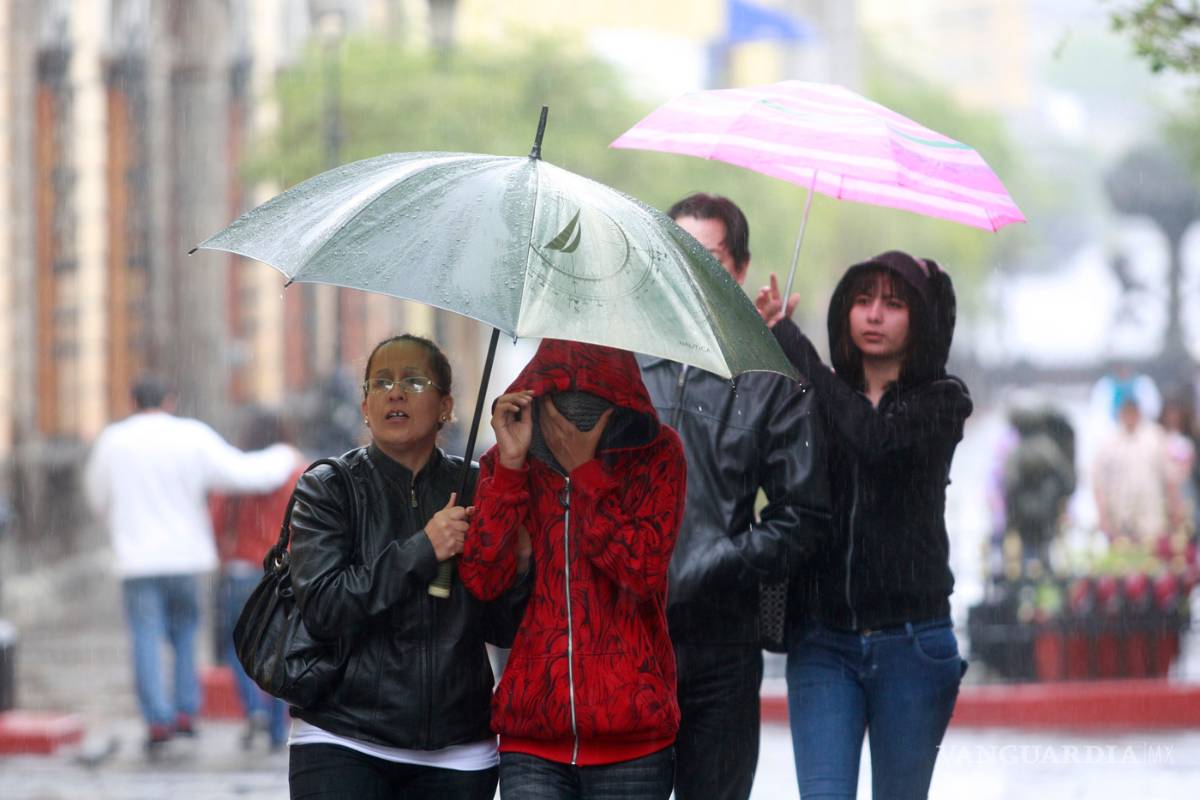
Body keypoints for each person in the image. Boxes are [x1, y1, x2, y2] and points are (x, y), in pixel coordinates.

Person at [756, 251, 973, 799]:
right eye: (862, 300)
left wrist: (797, 347)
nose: (874, 315)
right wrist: (767, 344)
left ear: (918, 319)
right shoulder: (816, 396)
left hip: (913, 645)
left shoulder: (943, 401)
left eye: (893, 304)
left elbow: (874, 442)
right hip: (823, 643)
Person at [638, 193, 831, 800]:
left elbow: (804, 513)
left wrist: (717, 561)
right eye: (679, 252)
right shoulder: (620, 363)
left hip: (721, 644)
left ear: (741, 270)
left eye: (711, 256)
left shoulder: (769, 380)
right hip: (624, 641)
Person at [285, 333, 530, 800]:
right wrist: (423, 548)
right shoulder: (329, 489)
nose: (395, 392)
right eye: (380, 382)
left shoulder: (482, 489)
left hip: (459, 751)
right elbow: (324, 607)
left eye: (414, 381)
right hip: (341, 739)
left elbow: (504, 628)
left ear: (446, 407)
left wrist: (518, 566)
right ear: (364, 406)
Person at [459, 338, 686, 800]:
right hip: (532, 736)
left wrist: (586, 475)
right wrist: (511, 469)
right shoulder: (505, 462)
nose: (571, 417)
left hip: (633, 737)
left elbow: (641, 571)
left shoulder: (658, 454)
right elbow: (482, 579)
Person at [83, 375, 298, 754]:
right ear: (170, 399)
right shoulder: (192, 436)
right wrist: (284, 456)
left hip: (137, 559)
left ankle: (157, 720)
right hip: (185, 557)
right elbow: (243, 474)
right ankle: (185, 712)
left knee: (146, 637)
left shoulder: (113, 441)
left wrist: (118, 522)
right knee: (185, 635)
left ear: (132, 401)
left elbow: (97, 494)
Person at [210, 409, 308, 751]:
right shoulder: (298, 472)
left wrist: (224, 552)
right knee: (281, 647)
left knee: (238, 647)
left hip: (240, 571)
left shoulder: (238, 474)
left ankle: (254, 709)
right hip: (283, 569)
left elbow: (218, 519)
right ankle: (278, 725)